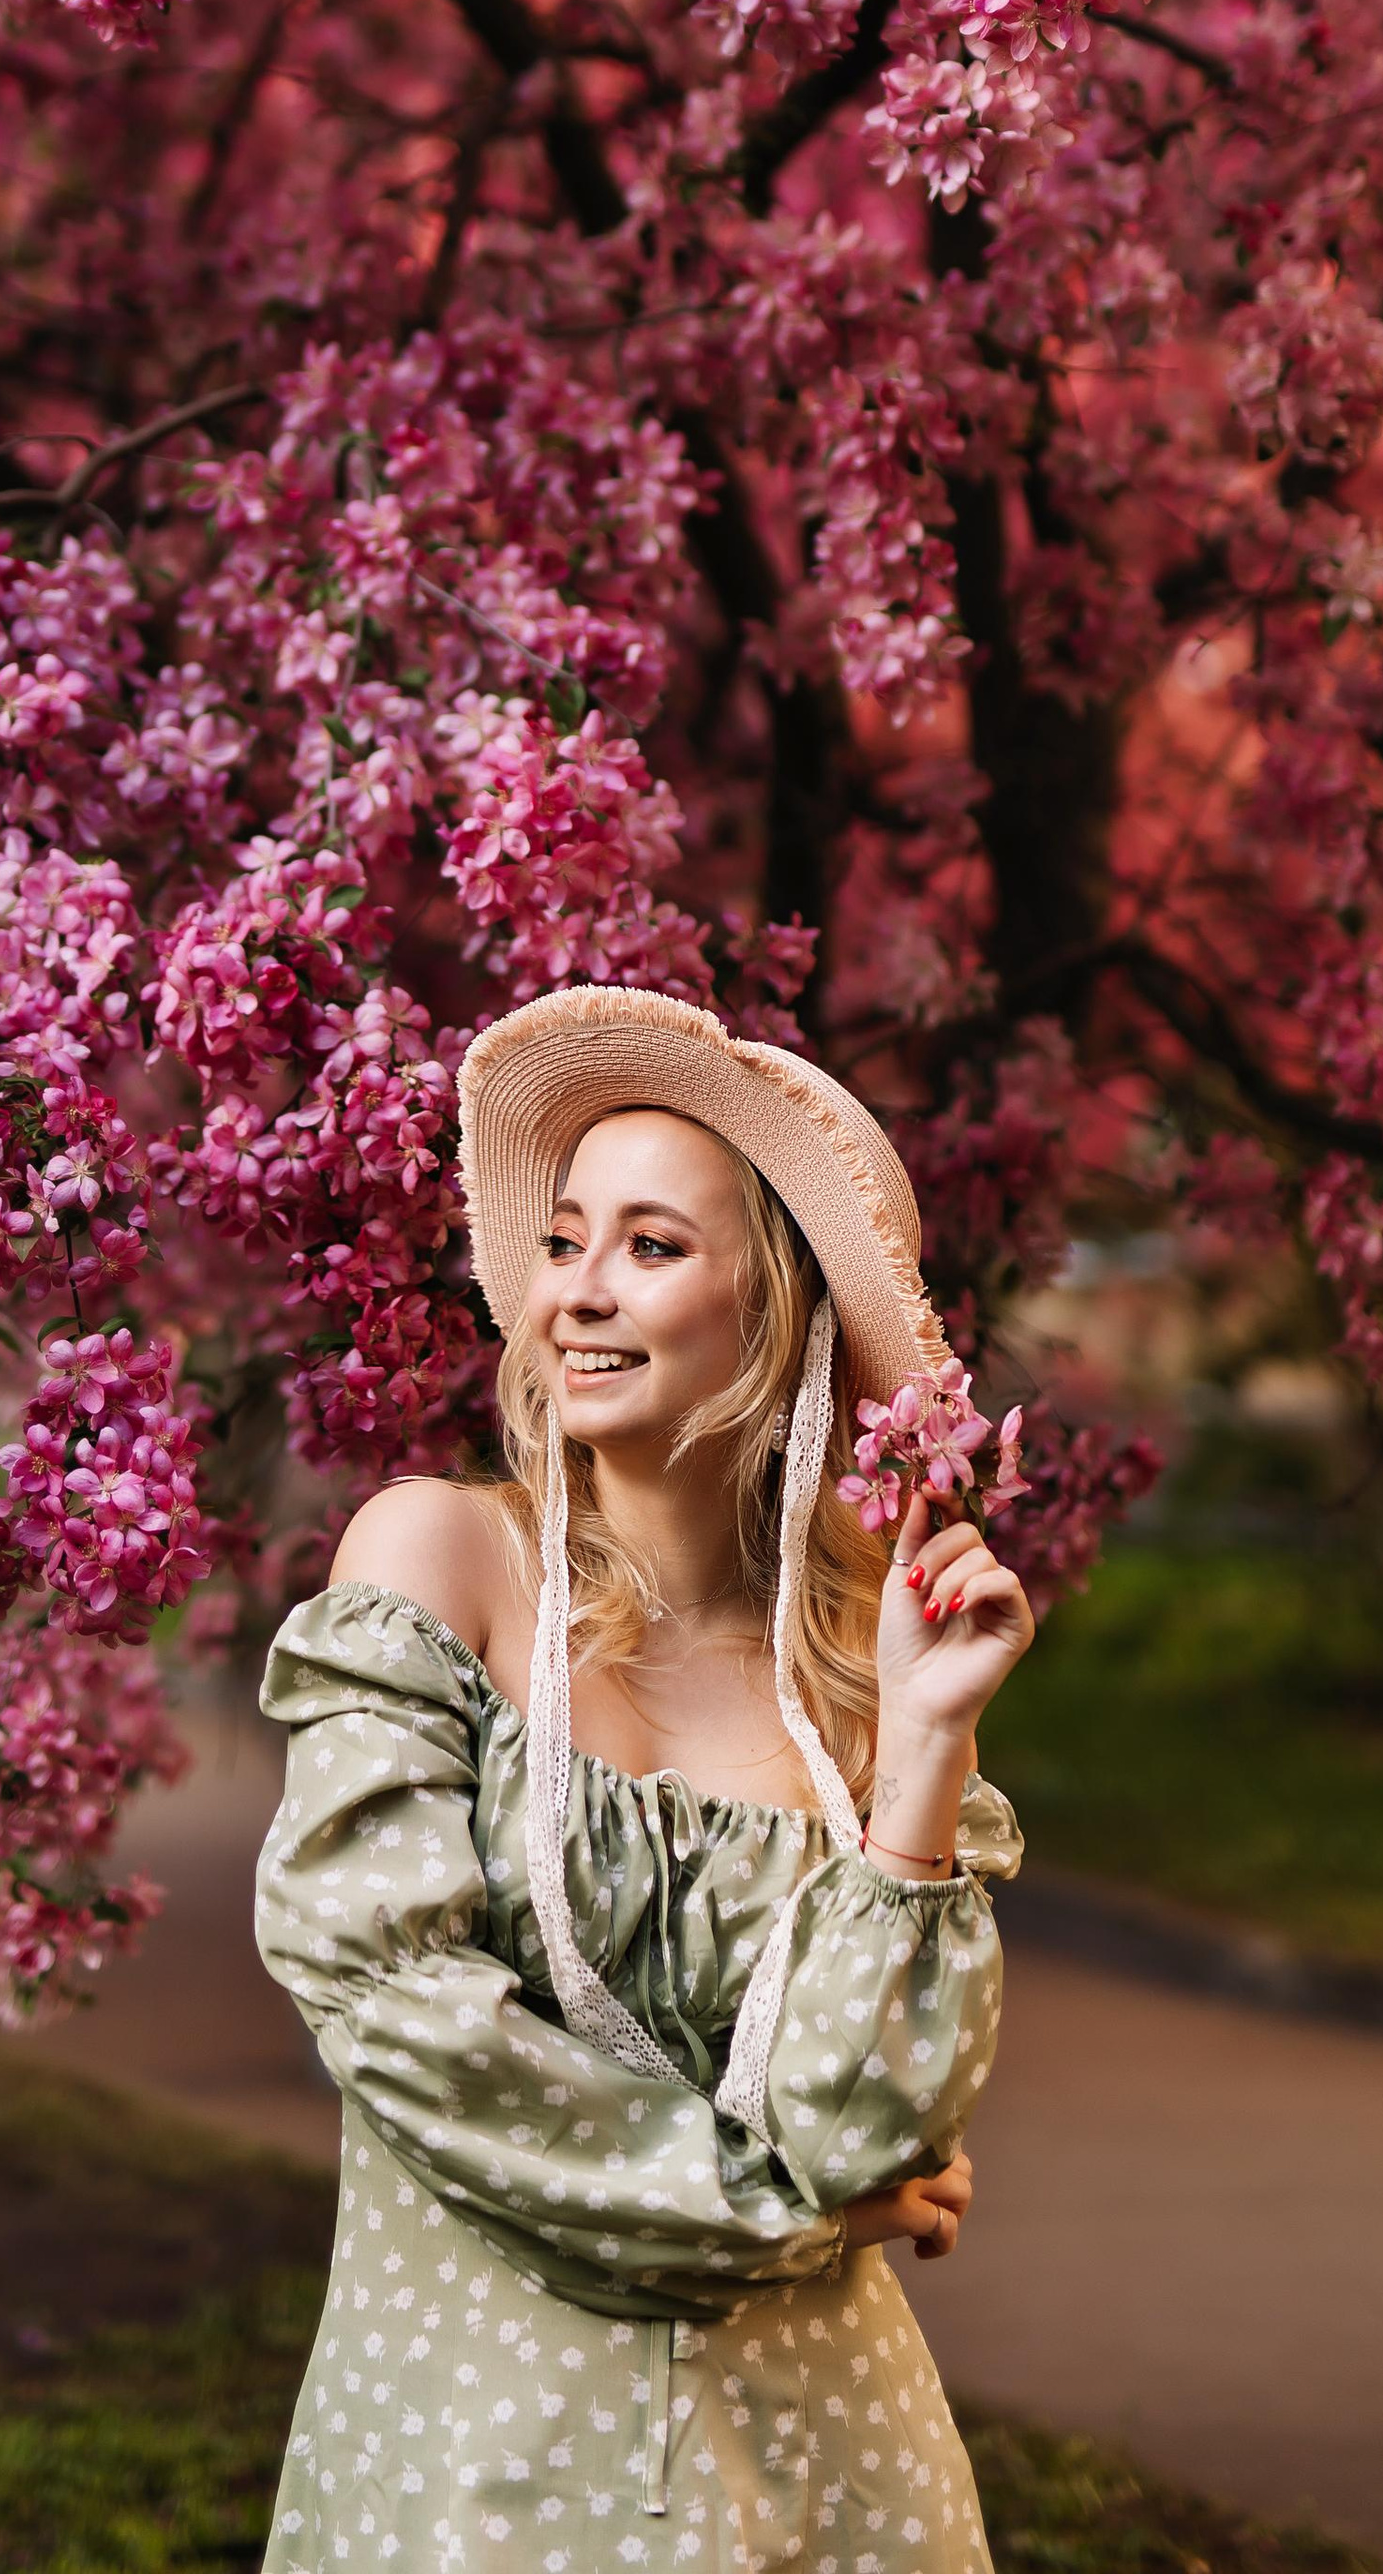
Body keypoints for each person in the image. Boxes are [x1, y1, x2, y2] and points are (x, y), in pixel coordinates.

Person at [255, 982, 1037, 2570]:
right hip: (484, 2463)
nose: (575, 1293)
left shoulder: (853, 1671)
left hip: (829, 2476)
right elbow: (393, 2010)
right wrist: (778, 2205)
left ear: (783, 1311)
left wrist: (931, 1744)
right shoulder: (440, 1560)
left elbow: (870, 2123)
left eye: (652, 1247)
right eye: (562, 1241)